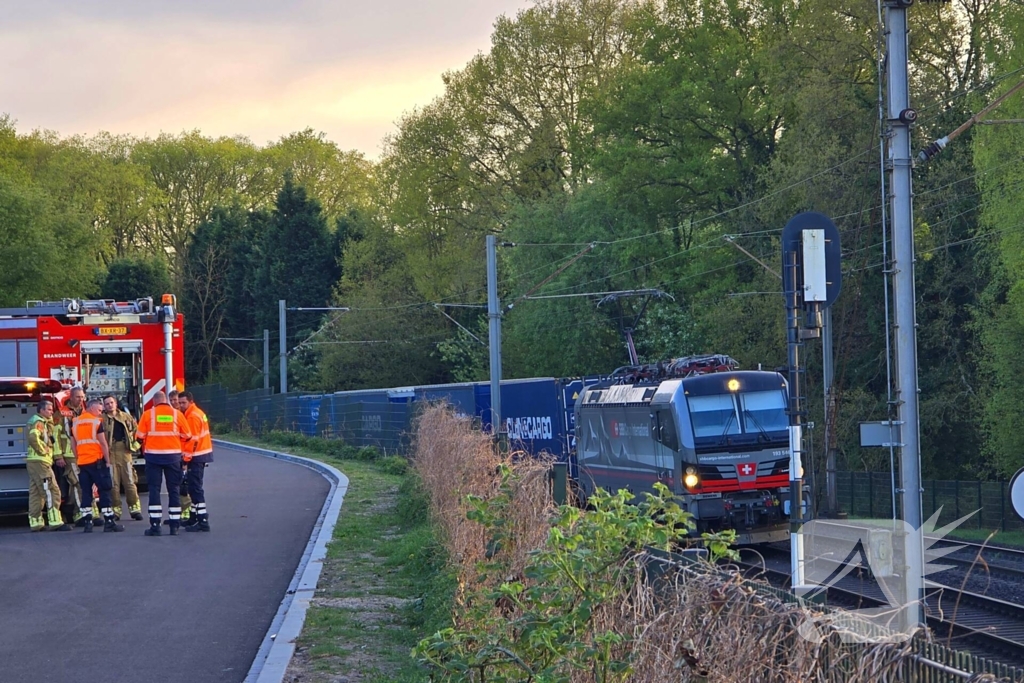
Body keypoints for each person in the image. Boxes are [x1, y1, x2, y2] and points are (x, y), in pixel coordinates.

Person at [136, 391, 192, 536]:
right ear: (166, 400)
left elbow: (140, 436)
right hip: (173, 457)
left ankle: (155, 526)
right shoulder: (177, 414)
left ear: (154, 402)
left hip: (153, 458)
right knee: (174, 489)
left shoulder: (148, 414)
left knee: (154, 489)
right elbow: (187, 435)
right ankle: (174, 526)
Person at [71, 398, 124, 533]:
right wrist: (107, 460)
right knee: (105, 490)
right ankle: (109, 522)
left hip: (83, 463)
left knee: (86, 493)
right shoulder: (96, 422)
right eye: (99, 410)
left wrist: (78, 458)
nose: (100, 413)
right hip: (97, 462)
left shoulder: (75, 422)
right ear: (92, 408)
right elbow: (103, 443)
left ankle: (88, 523)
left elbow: (73, 444)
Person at [25, 399, 70, 531]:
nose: (51, 412)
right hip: (41, 461)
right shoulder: (39, 422)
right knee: (52, 490)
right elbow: (33, 437)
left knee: (36, 492)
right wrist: (42, 450)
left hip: (34, 462)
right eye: (49, 410)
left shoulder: (36, 421)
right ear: (41, 410)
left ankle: (36, 522)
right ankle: (55, 521)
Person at [102, 395, 143, 521]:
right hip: (110, 452)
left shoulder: (126, 417)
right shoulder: (101, 419)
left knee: (129, 482)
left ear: (116, 403)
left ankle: (135, 509)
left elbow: (138, 432)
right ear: (104, 406)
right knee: (113, 484)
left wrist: (135, 447)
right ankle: (116, 510)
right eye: (107, 404)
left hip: (125, 452)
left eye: (111, 402)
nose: (110, 405)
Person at [180, 391, 213, 532]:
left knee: (195, 489)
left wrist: (185, 460)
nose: (181, 405)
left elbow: (192, 441)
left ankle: (203, 521)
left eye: (183, 403)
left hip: (196, 456)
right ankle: (193, 518)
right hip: (201, 454)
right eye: (180, 403)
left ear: (191, 401)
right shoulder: (196, 413)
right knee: (193, 488)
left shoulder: (192, 416)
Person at [50, 406, 83, 526]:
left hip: (83, 455)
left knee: (81, 484)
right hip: (69, 455)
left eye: (82, 397)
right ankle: (79, 513)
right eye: (77, 397)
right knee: (77, 482)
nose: (80, 399)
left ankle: (80, 512)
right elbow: (55, 435)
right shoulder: (61, 414)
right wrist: (58, 456)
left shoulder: (84, 411)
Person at [167, 390, 192, 526]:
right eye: (171, 400)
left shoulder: (184, 415)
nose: (174, 403)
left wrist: (186, 458)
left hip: (183, 455)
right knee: (177, 484)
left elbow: (188, 437)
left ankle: (186, 511)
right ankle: (179, 512)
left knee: (184, 485)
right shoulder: (174, 414)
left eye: (175, 400)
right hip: (176, 454)